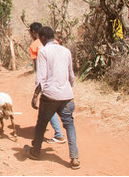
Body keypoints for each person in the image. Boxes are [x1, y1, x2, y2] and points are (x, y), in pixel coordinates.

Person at [24, 26, 80, 170]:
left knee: (41, 124)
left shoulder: (43, 51)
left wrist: (35, 95)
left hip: (50, 95)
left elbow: (41, 78)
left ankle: (36, 151)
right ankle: (74, 157)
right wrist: (68, 89)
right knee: (69, 125)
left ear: (42, 37)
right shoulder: (65, 50)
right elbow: (71, 75)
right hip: (66, 95)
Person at [29, 22, 67, 144]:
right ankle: (60, 133)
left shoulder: (34, 46)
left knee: (47, 109)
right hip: (60, 80)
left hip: (46, 82)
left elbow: (37, 67)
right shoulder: (56, 43)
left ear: (35, 33)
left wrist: (36, 92)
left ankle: (57, 135)